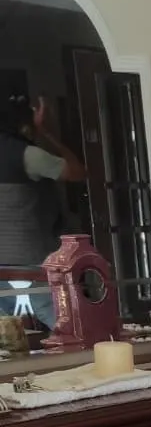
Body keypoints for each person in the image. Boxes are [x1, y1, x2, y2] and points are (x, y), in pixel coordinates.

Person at [0, 95, 85, 324]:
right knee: (63, 322)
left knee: (5, 332)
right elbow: (76, 172)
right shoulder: (26, 155)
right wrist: (46, 132)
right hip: (30, 257)